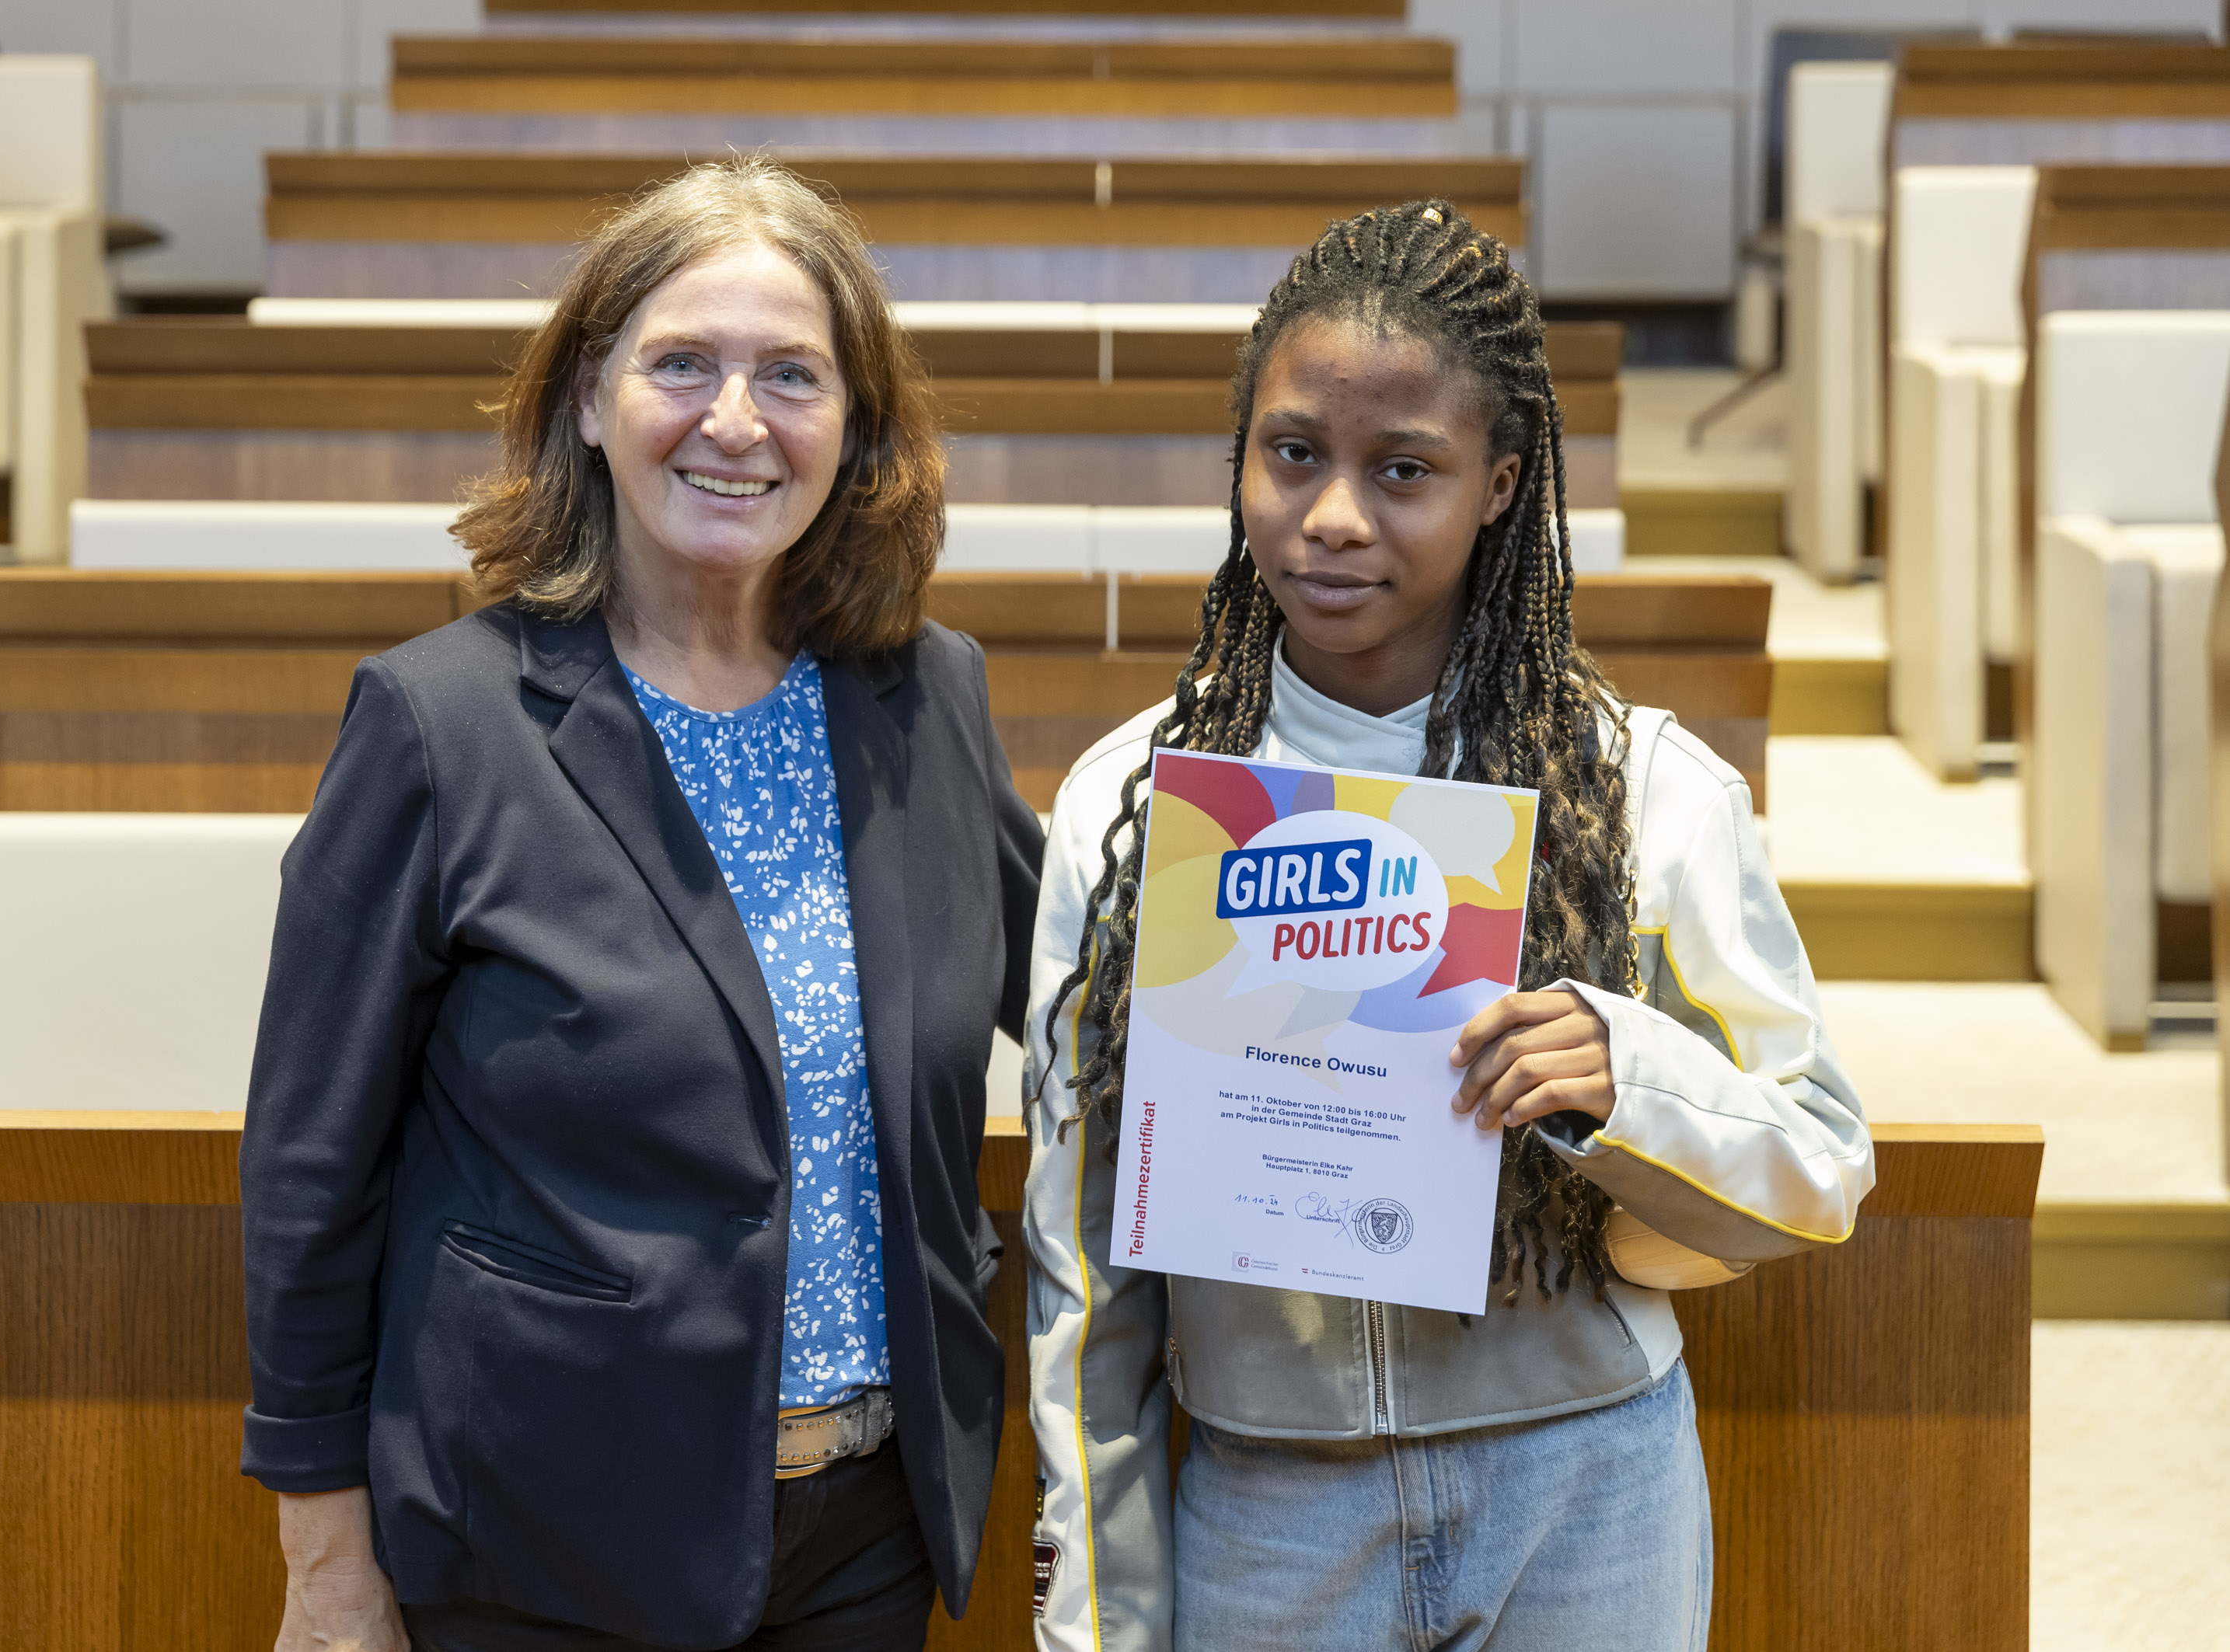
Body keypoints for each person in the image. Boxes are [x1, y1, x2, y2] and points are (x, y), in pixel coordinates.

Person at [1021, 201, 1874, 1651]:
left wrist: (1626, 1073)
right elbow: (1083, 1271)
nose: (1332, 514)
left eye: (1401, 468)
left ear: (1499, 483)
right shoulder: (1140, 802)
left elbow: (1819, 1169)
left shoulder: (1641, 785)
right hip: (1268, 1496)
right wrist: (1092, 1620)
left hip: (1583, 1477)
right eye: (1292, 453)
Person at [239, 157, 1042, 1652]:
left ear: (855, 426)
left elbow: (1084, 994)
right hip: (548, 1537)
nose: (735, 422)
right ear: (591, 397)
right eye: (682, 363)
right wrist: (325, 1565)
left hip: (867, 1531)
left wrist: (1387, 1001)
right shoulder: (438, 723)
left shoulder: (928, 696)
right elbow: (308, 1169)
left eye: (791, 375)